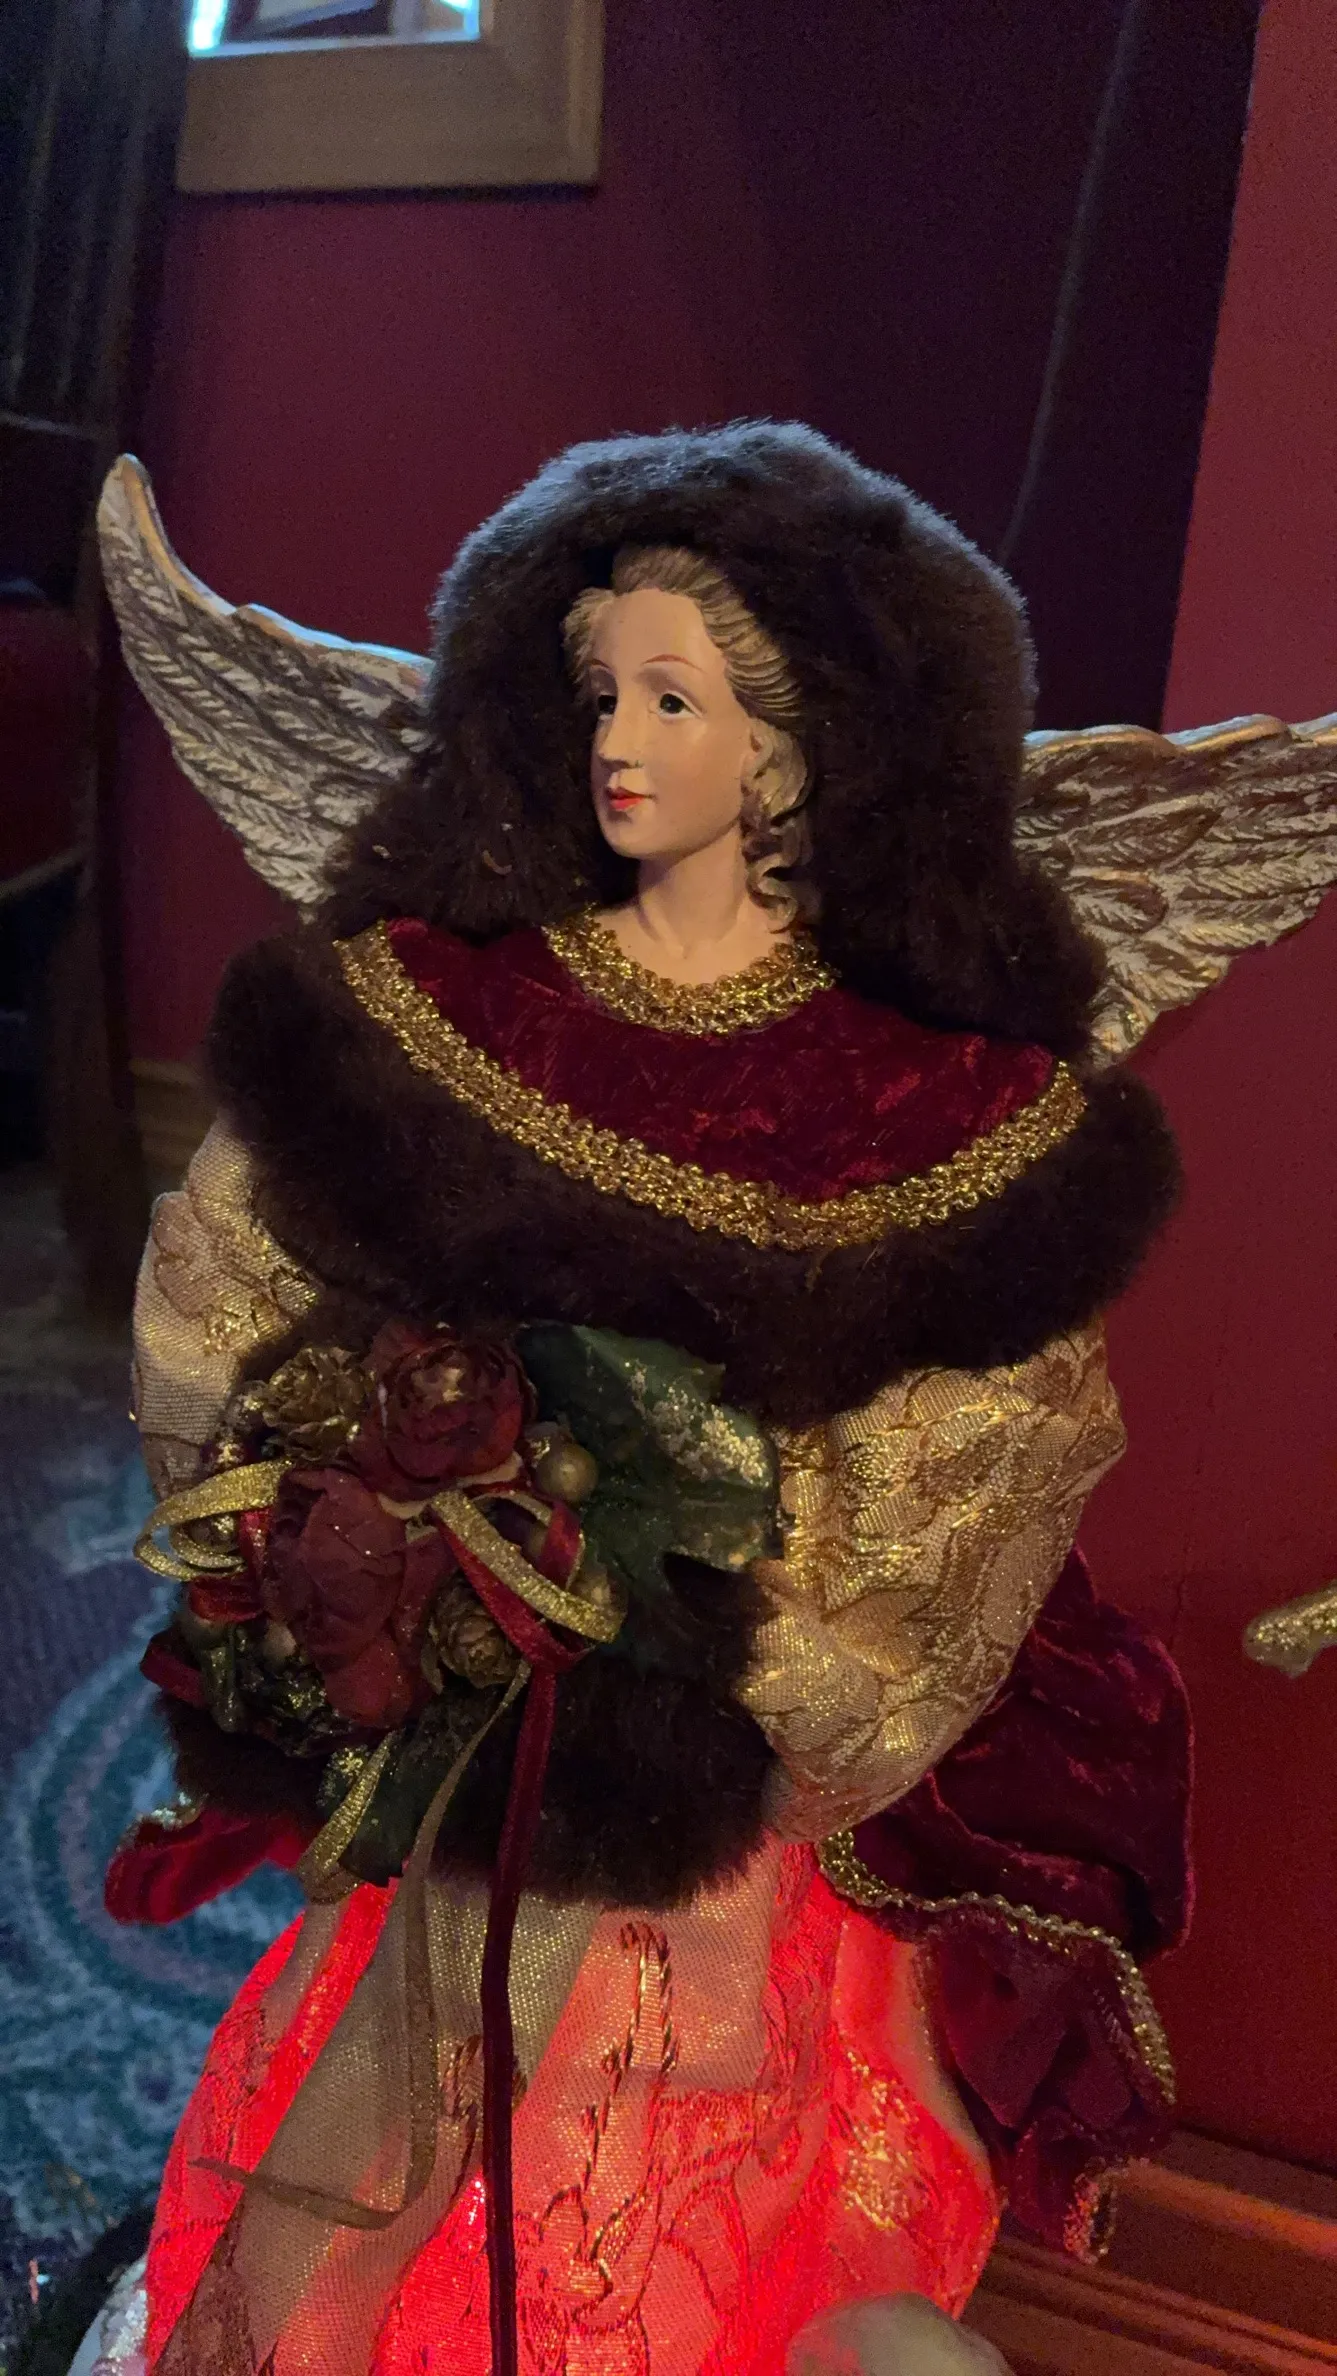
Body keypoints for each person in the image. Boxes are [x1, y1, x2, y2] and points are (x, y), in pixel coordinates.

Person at [105, 419, 1300, 2375]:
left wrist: (691, 1627)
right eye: (597, 693)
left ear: (798, 744)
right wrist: (355, 1518)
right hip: (471, 1738)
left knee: (651, 2209)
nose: (617, 742)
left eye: (673, 698)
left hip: (714, 1817)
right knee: (381, 2141)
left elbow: (962, 1458)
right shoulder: (451, 994)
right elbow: (252, 1277)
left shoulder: (919, 1099)